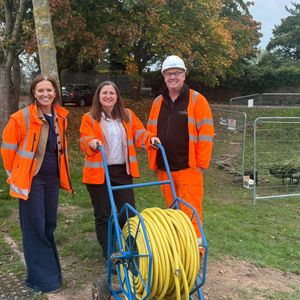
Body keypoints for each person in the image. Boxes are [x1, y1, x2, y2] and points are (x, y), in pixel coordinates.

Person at [1, 75, 73, 293]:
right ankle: (42, 281)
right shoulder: (20, 118)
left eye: (49, 90)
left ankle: (52, 273)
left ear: (54, 93)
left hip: (52, 180)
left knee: (49, 225)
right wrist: (16, 176)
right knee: (35, 228)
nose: (45, 94)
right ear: (34, 93)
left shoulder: (60, 116)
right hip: (32, 181)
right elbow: (8, 150)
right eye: (40, 90)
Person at [79, 80, 159, 260]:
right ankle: (110, 255)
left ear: (117, 97)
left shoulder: (127, 115)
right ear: (98, 97)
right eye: (104, 93)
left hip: (122, 172)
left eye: (112, 93)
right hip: (99, 174)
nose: (108, 96)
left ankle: (131, 250)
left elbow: (140, 133)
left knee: (128, 213)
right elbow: (84, 138)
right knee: (104, 214)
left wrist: (151, 139)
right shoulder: (89, 117)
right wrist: (91, 142)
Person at [147, 55, 214, 243]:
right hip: (165, 169)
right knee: (172, 213)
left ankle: (196, 253)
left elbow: (206, 135)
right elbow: (150, 132)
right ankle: (178, 250)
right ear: (164, 77)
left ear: (184, 75)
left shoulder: (197, 100)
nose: (172, 77)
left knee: (191, 213)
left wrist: (200, 166)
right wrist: (154, 161)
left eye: (176, 73)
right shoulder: (157, 102)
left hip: (189, 169)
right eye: (168, 73)